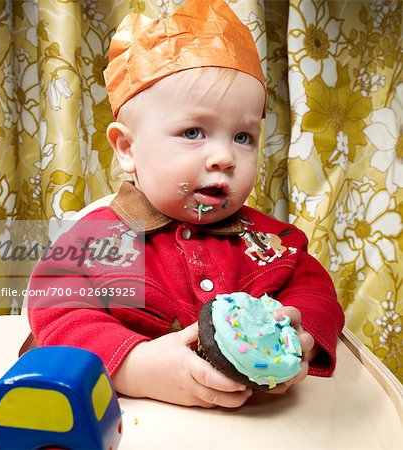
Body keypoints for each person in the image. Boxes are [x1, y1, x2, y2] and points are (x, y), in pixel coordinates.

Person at [28, 0, 345, 408]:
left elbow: (316, 291)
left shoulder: (275, 242)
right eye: (194, 132)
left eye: (243, 137)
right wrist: (135, 365)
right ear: (127, 148)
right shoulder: (97, 240)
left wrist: (303, 340)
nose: (225, 157)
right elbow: (57, 313)